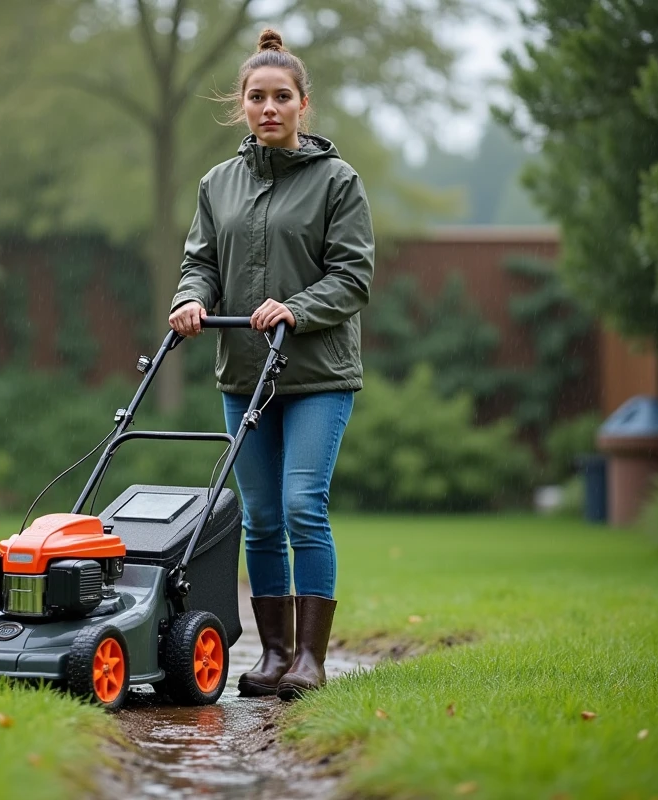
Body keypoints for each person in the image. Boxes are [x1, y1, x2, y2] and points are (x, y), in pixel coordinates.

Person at [168, 28, 374, 700]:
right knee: (259, 517)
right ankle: (273, 655)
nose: (269, 108)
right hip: (243, 372)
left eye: (282, 96)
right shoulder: (217, 184)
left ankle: (310, 659)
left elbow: (353, 276)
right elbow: (200, 262)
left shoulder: (336, 182)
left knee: (302, 506)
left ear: (302, 105)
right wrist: (191, 301)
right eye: (257, 96)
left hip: (317, 374)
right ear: (242, 105)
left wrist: (295, 308)